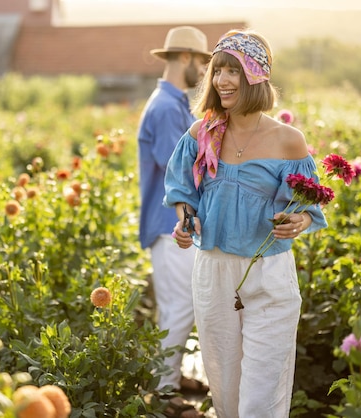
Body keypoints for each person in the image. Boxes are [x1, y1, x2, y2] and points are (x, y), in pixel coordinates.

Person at [164, 29, 328, 418]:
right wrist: (185, 220)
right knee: (225, 387)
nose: (221, 80)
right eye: (217, 70)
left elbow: (310, 205)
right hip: (214, 271)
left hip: (268, 273)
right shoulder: (203, 133)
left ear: (255, 77)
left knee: (261, 392)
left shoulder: (289, 141)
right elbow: (180, 186)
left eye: (232, 71)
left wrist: (299, 219)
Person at [137, 26, 211, 401]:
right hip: (170, 224)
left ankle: (172, 378)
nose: (204, 70)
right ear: (185, 58)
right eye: (202, 61)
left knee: (180, 305)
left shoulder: (173, 103)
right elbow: (178, 172)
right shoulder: (167, 108)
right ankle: (164, 393)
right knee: (180, 305)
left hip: (173, 224)